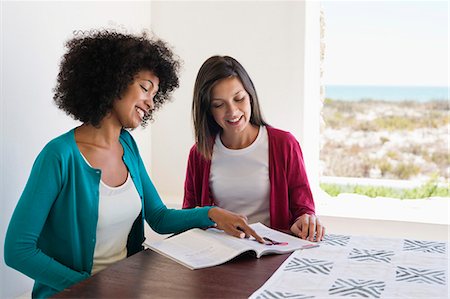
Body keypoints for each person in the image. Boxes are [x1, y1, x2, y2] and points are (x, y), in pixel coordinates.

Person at [4, 31, 263, 298]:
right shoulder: (59, 156)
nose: (151, 102)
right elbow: (18, 250)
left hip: (127, 287)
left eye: (155, 94)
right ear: (113, 80)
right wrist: (89, 287)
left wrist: (212, 214)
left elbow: (159, 217)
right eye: (145, 88)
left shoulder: (127, 146)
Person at [183, 55, 325, 242]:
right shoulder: (199, 154)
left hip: (272, 252)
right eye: (219, 104)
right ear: (208, 110)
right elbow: (189, 216)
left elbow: (303, 208)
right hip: (220, 255)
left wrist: (305, 220)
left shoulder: (284, 144)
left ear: (250, 96)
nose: (232, 111)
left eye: (239, 99)